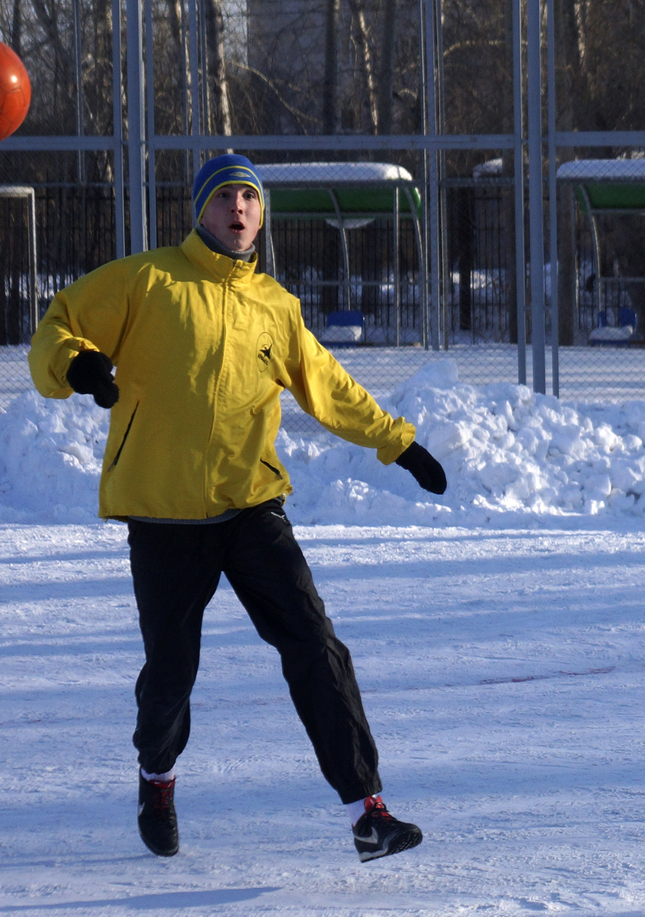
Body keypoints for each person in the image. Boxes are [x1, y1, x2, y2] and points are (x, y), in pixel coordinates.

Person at [28, 154, 450, 863]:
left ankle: (366, 810)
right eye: (225, 195)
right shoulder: (146, 280)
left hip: (252, 508)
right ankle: (156, 779)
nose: (239, 207)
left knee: (315, 646)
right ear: (201, 209)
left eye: (250, 197)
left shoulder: (274, 307)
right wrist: (76, 365)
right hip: (163, 516)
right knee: (170, 675)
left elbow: (329, 386)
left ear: (261, 216)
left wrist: (397, 444)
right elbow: (59, 324)